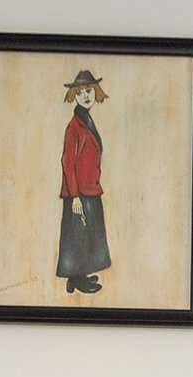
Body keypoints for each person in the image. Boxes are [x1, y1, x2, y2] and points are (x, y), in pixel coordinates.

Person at [57, 69, 111, 296]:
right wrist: (75, 197)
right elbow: (67, 162)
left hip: (90, 189)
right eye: (80, 92)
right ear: (74, 96)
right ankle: (76, 279)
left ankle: (78, 278)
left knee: (87, 235)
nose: (86, 96)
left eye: (88, 90)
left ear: (95, 91)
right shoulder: (74, 126)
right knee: (78, 235)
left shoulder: (86, 120)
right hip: (79, 193)